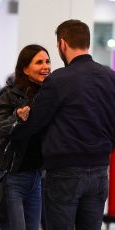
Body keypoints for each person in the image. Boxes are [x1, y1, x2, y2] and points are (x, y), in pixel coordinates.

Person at [10, 19, 115, 230]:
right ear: (87, 42)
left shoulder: (58, 80)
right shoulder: (110, 77)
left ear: (63, 44)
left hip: (64, 172)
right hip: (100, 170)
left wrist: (12, 130)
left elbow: (35, 123)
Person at [0, 44, 51, 230]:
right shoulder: (10, 93)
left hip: (37, 178)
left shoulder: (48, 94)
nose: (46, 66)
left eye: (48, 61)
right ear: (25, 69)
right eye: (39, 62)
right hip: (12, 177)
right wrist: (16, 118)